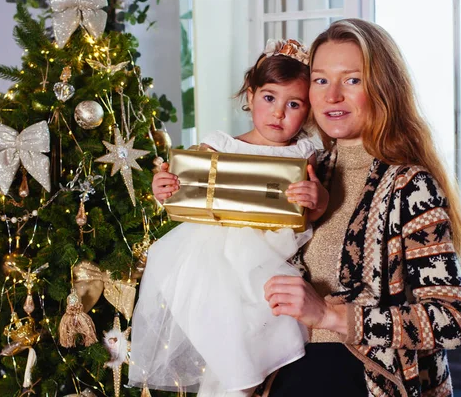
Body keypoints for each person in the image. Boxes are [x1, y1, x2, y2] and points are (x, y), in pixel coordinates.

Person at [258, 19, 461, 396]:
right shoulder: (306, 172)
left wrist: (330, 316)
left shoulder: (410, 185)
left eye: (352, 80)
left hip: (366, 383)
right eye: (320, 79)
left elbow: (450, 320)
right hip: (286, 373)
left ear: (382, 88)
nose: (332, 96)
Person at [129, 39, 329, 397]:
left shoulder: (304, 153)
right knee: (224, 329)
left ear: (308, 111)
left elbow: (314, 207)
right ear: (250, 96)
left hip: (270, 252)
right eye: (269, 98)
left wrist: (316, 198)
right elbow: (183, 185)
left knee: (261, 323)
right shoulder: (221, 145)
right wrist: (165, 186)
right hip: (214, 248)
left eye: (293, 104)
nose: (279, 113)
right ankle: (238, 381)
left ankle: (241, 383)